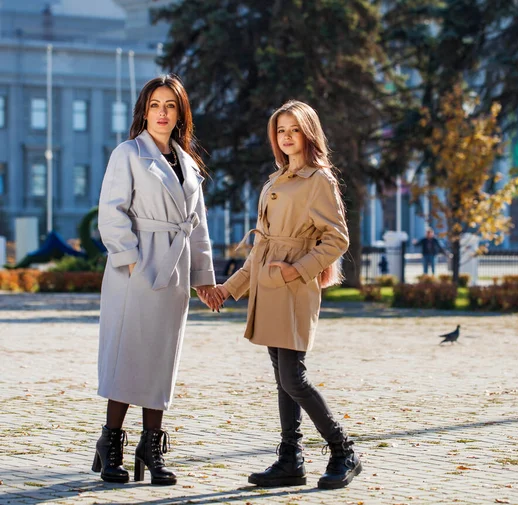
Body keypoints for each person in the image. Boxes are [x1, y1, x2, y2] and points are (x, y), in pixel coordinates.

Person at [215, 100, 362, 490]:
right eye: (280, 130)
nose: (286, 137)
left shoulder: (319, 180)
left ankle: (343, 450)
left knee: (293, 378)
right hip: (268, 287)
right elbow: (261, 247)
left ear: (308, 133)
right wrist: (227, 291)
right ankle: (289, 461)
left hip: (293, 287)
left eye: (294, 129)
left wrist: (298, 270)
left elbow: (337, 239)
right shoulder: (275, 181)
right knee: (283, 380)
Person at [94, 74, 223, 486]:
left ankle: (152, 447)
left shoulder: (188, 163)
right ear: (144, 111)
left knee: (162, 360)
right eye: (155, 105)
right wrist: (132, 262)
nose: (162, 112)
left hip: (177, 271)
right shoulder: (128, 153)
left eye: (170, 105)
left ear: (180, 112)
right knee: (127, 355)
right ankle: (110, 441)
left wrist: (203, 276)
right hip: (138, 270)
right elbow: (111, 213)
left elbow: (196, 224)